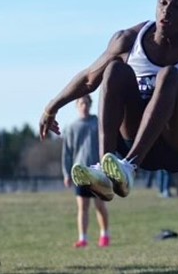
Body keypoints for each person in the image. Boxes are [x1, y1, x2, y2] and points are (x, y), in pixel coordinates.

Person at [39, 0, 178, 210]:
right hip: (135, 137)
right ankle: (107, 168)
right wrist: (51, 107)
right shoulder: (128, 40)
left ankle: (128, 167)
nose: (167, 11)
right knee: (114, 69)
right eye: (163, 3)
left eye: (177, 6)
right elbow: (89, 79)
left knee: (169, 75)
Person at [61, 95, 111, 249]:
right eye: (81, 103)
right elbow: (67, 152)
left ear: (90, 104)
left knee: (99, 205)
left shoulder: (98, 123)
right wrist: (66, 173)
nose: (84, 106)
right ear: (77, 105)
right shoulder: (71, 127)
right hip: (80, 172)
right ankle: (82, 238)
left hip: (97, 170)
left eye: (87, 103)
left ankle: (105, 235)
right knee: (82, 207)